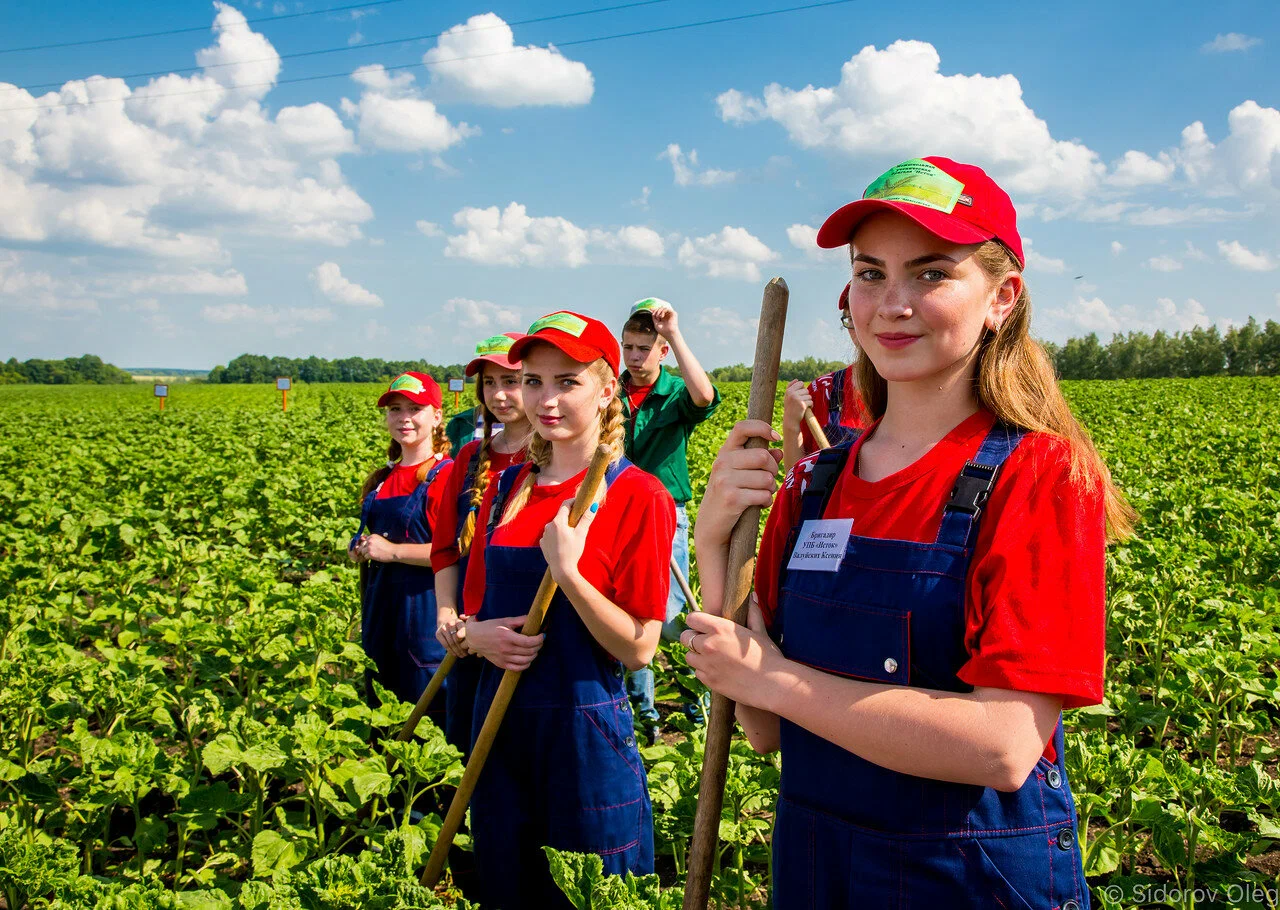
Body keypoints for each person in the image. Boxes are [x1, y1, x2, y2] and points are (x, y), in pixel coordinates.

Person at [685, 156, 1135, 909]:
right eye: (870, 274)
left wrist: (777, 680)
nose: (893, 304)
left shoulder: (1040, 474)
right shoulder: (815, 485)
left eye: (931, 275)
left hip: (965, 879)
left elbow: (1004, 746)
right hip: (816, 867)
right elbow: (762, 726)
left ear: (1002, 297)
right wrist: (713, 545)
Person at [460, 311, 675, 910]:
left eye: (567, 381)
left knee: (588, 890)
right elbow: (471, 611)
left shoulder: (637, 494)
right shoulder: (507, 488)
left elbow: (639, 649)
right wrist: (476, 638)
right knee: (509, 879)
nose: (545, 399)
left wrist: (570, 575)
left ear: (608, 389)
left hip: (583, 731)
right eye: (533, 380)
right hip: (498, 726)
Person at [618, 297, 720, 743]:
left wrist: (675, 333)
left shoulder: (674, 392)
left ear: (662, 352)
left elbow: (705, 397)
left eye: (644, 348)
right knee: (625, 611)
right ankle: (646, 720)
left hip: (664, 513)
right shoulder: (610, 392)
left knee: (670, 611)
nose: (635, 358)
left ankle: (700, 712)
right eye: (628, 348)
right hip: (614, 510)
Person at [431, 332, 532, 758]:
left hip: (525, 634)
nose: (499, 395)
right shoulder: (471, 457)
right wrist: (446, 613)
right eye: (489, 383)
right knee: (466, 751)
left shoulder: (552, 460)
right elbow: (444, 549)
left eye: (510, 381)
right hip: (471, 632)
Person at [349, 372, 454, 709]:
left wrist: (393, 552)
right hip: (381, 614)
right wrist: (362, 548)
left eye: (415, 408)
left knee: (426, 722)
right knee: (380, 714)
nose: (404, 418)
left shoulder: (445, 475)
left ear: (436, 416)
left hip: (424, 617)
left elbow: (456, 552)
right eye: (395, 409)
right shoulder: (384, 477)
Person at [780, 281, 870, 468]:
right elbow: (795, 476)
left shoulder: (924, 391)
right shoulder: (825, 391)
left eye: (868, 316)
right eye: (851, 320)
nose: (861, 330)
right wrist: (791, 425)